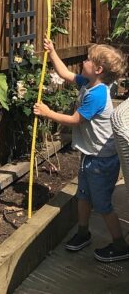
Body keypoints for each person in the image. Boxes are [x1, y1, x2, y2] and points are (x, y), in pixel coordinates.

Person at [33, 38, 129, 263]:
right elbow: (66, 74)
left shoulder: (96, 95)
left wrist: (47, 113)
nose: (83, 61)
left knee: (103, 204)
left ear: (98, 69)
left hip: (102, 160)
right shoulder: (88, 83)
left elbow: (76, 120)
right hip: (90, 156)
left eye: (87, 59)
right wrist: (53, 51)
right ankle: (83, 232)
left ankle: (120, 245)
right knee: (83, 196)